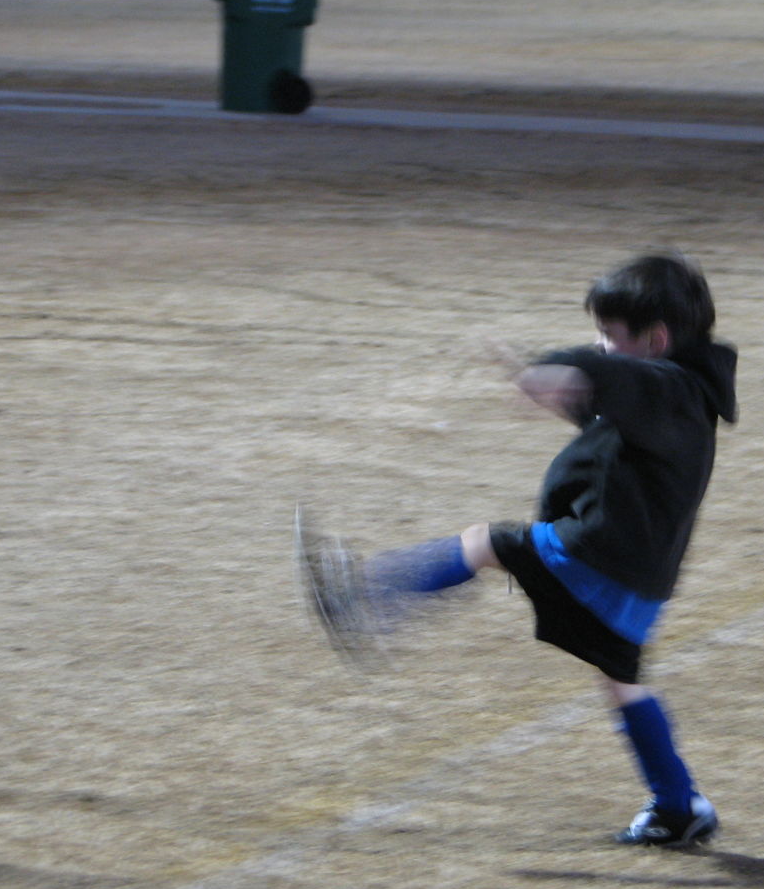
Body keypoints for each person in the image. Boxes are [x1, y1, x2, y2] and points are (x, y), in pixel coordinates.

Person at [297, 250, 738, 846]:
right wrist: (565, 389)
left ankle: (368, 596)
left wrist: (560, 366)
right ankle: (679, 805)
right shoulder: (680, 395)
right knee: (621, 682)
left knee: (488, 543)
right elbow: (618, 409)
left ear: (656, 339)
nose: (602, 346)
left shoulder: (670, 390)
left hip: (600, 560)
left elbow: (615, 378)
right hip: (637, 581)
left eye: (610, 336)